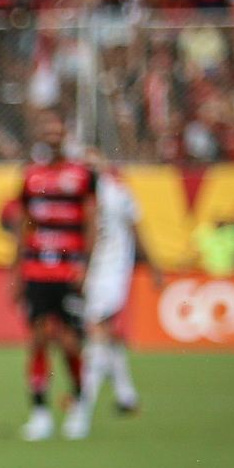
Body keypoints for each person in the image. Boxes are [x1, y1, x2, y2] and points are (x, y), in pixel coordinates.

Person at [11, 110, 98, 441]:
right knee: (37, 339)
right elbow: (24, 222)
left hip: (68, 270)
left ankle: (78, 407)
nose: (52, 135)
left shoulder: (82, 175)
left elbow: (91, 222)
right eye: (46, 130)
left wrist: (86, 266)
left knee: (70, 342)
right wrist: (16, 270)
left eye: (57, 130)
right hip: (36, 268)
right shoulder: (31, 175)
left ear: (65, 134)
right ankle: (40, 413)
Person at [76, 159, 161, 419]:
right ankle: (126, 395)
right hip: (90, 270)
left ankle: (83, 402)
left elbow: (136, 230)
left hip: (112, 269)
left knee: (96, 328)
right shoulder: (80, 196)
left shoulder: (118, 194)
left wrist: (153, 266)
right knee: (106, 333)